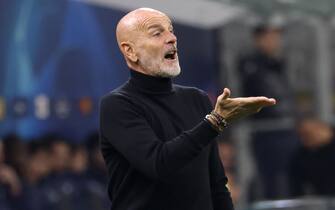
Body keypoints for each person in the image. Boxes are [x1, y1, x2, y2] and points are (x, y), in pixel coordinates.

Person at [99, 8, 276, 210]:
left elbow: (216, 184)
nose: (172, 38)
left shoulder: (196, 99)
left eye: (171, 31)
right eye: (157, 33)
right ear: (130, 51)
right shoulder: (117, 105)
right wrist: (214, 122)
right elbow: (159, 164)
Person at [237, 23, 297, 200]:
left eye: (277, 37)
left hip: (286, 129)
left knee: (290, 176)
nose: (275, 41)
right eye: (269, 37)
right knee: (272, 179)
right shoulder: (251, 64)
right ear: (259, 39)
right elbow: (263, 93)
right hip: (266, 130)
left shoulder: (278, 64)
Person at [289, 118, 335, 197]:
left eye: (308, 134)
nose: (303, 139)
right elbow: (296, 183)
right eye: (301, 135)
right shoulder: (302, 156)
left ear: (321, 129)